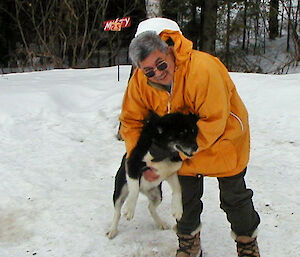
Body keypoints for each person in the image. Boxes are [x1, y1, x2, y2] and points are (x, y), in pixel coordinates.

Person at [119, 17, 260, 257]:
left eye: (161, 64)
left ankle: (247, 244)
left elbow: (214, 121)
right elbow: (130, 122)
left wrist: (174, 152)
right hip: (182, 145)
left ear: (170, 52)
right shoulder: (141, 81)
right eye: (149, 71)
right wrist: (145, 159)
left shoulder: (203, 69)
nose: (158, 73)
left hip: (223, 140)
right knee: (185, 197)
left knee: (234, 197)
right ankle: (188, 243)